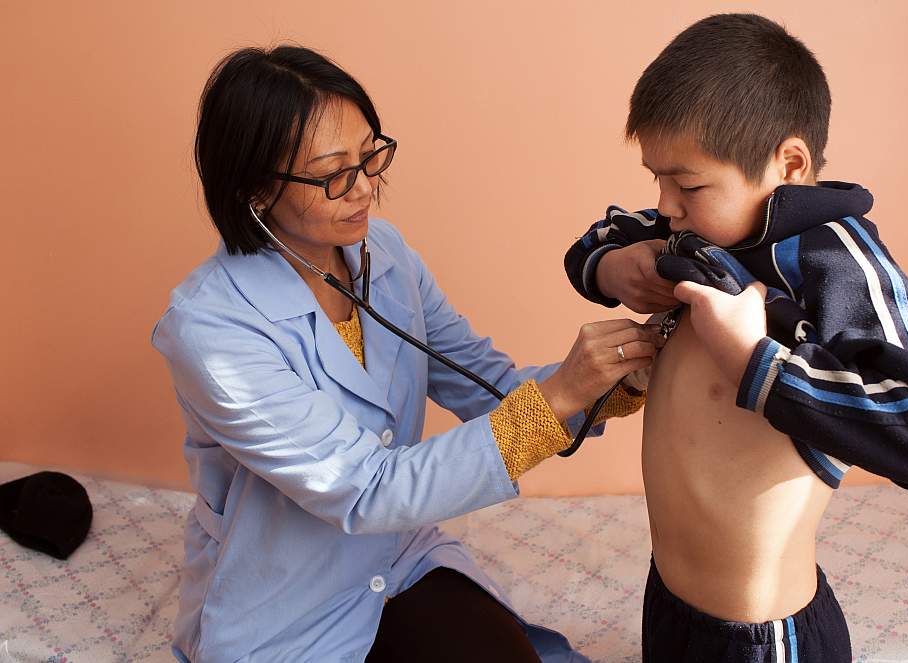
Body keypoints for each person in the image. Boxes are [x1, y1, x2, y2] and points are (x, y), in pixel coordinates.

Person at [151, 45, 662, 663]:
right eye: (333, 172)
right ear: (257, 190)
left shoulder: (383, 253)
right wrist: (561, 394)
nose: (365, 187)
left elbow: (485, 384)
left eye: (370, 155)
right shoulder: (211, 329)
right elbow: (365, 490)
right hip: (286, 602)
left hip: (398, 559)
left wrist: (615, 380)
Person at [562, 14, 908, 662]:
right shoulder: (702, 228)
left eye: (687, 183)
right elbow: (600, 238)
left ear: (788, 162)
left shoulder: (839, 263)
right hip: (667, 603)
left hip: (760, 638)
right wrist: (613, 266)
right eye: (657, 179)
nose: (667, 205)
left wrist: (758, 362)